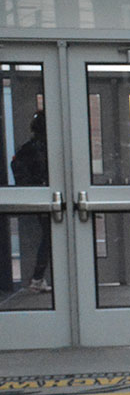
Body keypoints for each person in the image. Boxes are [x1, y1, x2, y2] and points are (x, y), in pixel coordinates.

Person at [10, 110, 52, 293]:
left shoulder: (28, 148)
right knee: (50, 238)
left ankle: (38, 277)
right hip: (44, 195)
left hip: (39, 196)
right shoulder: (43, 148)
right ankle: (37, 277)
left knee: (49, 238)